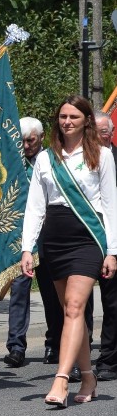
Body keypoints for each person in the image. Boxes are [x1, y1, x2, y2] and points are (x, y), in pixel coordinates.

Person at [21, 95, 117, 407]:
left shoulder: (102, 155)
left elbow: (111, 206)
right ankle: (88, 376)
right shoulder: (47, 159)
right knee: (70, 313)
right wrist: (26, 248)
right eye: (63, 116)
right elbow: (35, 207)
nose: (67, 122)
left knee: (76, 307)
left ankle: (61, 379)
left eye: (74, 117)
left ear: (86, 120)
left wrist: (112, 250)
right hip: (55, 237)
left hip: (88, 236)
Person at [0, 117, 42, 367]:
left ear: (40, 138)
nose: (26, 146)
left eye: (31, 141)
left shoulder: (51, 161)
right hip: (17, 239)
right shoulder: (10, 163)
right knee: (19, 292)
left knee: (52, 293)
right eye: (22, 141)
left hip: (48, 237)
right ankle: (16, 346)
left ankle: (55, 343)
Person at [94, 111, 117, 380]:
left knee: (112, 302)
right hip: (96, 239)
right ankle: (106, 358)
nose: (100, 136)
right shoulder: (84, 160)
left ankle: (109, 357)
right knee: (108, 302)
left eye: (103, 132)